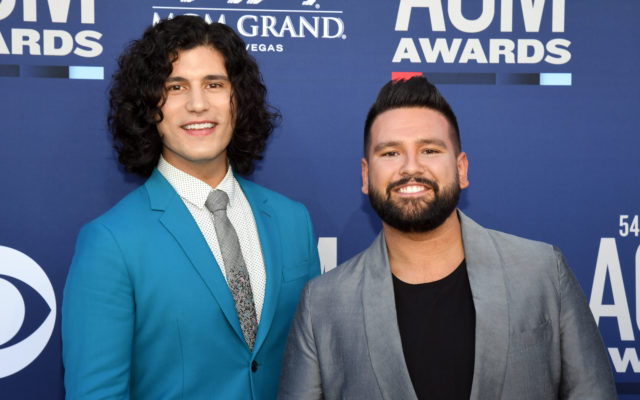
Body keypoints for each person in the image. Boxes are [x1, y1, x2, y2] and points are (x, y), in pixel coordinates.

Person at [278, 76, 616, 400]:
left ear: (462, 168)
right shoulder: (323, 304)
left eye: (430, 150)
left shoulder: (543, 273)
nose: (411, 168)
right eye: (391, 153)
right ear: (366, 176)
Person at [62, 15, 320, 399]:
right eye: (176, 87)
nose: (198, 104)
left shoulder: (292, 220)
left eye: (214, 84)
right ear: (150, 107)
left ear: (238, 99)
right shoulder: (110, 242)